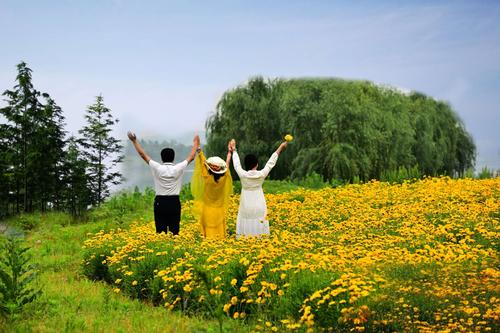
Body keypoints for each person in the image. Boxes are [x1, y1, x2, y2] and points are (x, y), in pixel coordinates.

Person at [127, 131, 199, 235]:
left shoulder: (157, 168)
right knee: (175, 232)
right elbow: (192, 157)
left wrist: (134, 141)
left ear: (161, 158)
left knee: (160, 232)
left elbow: (143, 155)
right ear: (173, 157)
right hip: (174, 202)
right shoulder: (178, 168)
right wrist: (196, 143)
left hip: (160, 202)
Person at [230, 139, 288, 237]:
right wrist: (281, 148)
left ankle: (245, 245)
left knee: (246, 228)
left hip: (246, 206)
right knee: (259, 226)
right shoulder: (261, 174)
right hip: (259, 205)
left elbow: (236, 164)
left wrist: (234, 150)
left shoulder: (242, 174)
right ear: (257, 164)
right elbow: (270, 163)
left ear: (246, 165)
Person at [191, 141, 233, 239]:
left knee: (208, 234)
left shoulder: (207, 178)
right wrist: (229, 153)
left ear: (209, 168)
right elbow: (227, 165)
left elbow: (203, 162)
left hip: (207, 210)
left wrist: (199, 151)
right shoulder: (224, 178)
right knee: (219, 233)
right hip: (219, 210)